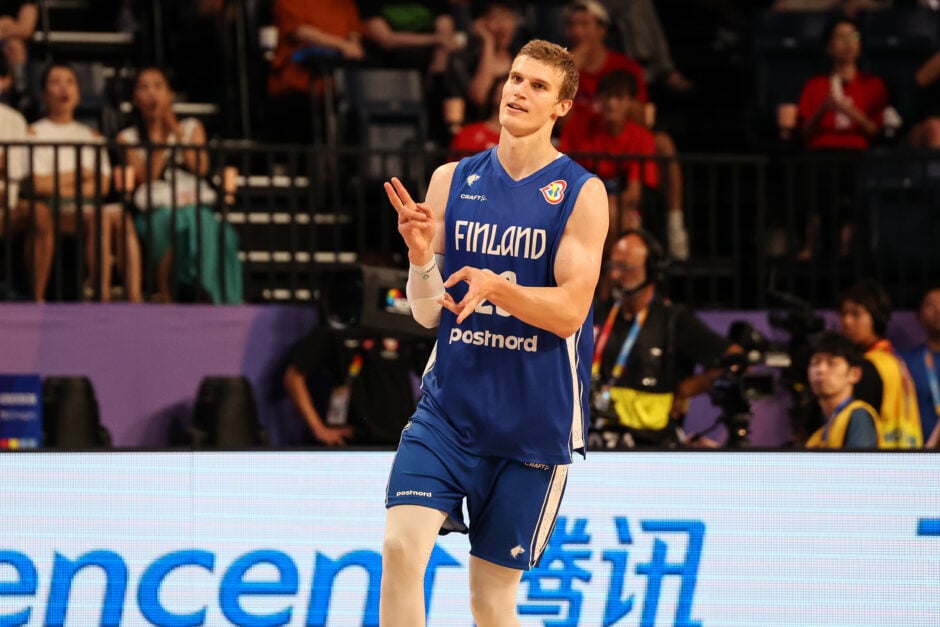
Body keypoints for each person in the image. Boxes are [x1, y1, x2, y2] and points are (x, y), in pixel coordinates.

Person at [379, 39, 607, 624]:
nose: (518, 91)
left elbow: (571, 313)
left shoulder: (580, 193)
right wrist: (421, 259)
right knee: (401, 549)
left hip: (531, 426)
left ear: (562, 106)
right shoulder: (451, 179)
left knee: (490, 601)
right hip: (449, 411)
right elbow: (430, 313)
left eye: (536, 85)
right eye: (514, 78)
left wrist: (497, 286)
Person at [563, 0, 689, 260]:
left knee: (663, 142)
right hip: (583, 141)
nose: (578, 32)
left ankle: (674, 224)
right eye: (572, 25)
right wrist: (568, 72)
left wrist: (615, 103)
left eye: (584, 24)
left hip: (619, 147)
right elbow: (562, 121)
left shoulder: (623, 67)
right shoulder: (565, 71)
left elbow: (641, 119)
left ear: (602, 30)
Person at [590, 229, 735, 447]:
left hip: (652, 448)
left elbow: (736, 359)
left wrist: (688, 389)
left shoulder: (673, 320)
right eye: (612, 266)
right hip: (598, 442)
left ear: (652, 270)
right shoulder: (599, 314)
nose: (614, 276)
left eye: (625, 268)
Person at [116, 67, 243, 304]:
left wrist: (174, 129)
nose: (152, 93)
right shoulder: (127, 138)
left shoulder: (191, 128)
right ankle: (198, 291)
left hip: (193, 201)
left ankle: (218, 296)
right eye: (144, 87)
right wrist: (161, 138)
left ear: (170, 95)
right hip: (156, 211)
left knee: (221, 232)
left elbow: (200, 168)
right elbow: (147, 177)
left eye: (158, 86)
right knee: (188, 222)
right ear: (135, 98)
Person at [28, 62, 143, 302]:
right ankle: (101, 297)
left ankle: (134, 298)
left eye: (70, 82)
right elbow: (39, 185)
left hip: (90, 207)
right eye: (56, 82)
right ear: (42, 93)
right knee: (99, 217)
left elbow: (101, 186)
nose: (64, 89)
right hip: (53, 208)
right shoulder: (33, 133)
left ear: (79, 93)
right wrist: (79, 174)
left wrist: (60, 180)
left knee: (123, 220)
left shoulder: (92, 136)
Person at [795, 16, 889, 259]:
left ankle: (848, 245)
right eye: (840, 37)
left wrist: (850, 112)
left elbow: (877, 130)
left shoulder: (873, 85)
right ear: (828, 47)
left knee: (856, 178)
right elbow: (804, 131)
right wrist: (824, 109)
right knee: (814, 174)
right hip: (820, 152)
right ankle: (812, 243)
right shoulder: (815, 85)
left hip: (856, 152)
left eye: (853, 36)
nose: (848, 43)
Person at [283, 315, 431, 447]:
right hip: (351, 441)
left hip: (399, 439)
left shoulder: (402, 323)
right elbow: (293, 377)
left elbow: (435, 376)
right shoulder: (338, 324)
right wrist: (319, 429)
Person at [559, 69, 658, 253]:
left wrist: (607, 204)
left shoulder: (642, 138)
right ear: (599, 100)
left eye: (619, 98)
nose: (611, 104)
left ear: (630, 102)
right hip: (580, 204)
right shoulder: (578, 129)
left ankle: (605, 272)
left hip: (623, 208)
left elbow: (634, 194)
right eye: (606, 97)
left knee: (615, 213)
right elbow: (565, 178)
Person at [837, 279, 922, 448]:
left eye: (856, 314)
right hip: (907, 462)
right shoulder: (895, 361)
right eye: (843, 314)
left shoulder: (868, 366)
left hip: (876, 463)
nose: (846, 321)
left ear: (876, 318)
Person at [265, 0, 364, 143]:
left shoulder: (344, 3)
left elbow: (354, 31)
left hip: (339, 86)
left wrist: (353, 44)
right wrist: (342, 45)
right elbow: (299, 30)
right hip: (298, 85)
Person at [0, 51, 50, 301]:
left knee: (39, 214)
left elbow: (16, 170)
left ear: (5, 81)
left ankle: (36, 297)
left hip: (5, 205)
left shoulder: (14, 120)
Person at [443, 0, 521, 133]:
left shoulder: (521, 57)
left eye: (508, 18)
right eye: (496, 18)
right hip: (476, 134)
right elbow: (479, 97)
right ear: (480, 23)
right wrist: (488, 43)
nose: (504, 27)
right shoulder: (463, 59)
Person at [804, 330, 880, 448]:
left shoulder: (858, 416)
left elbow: (859, 465)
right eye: (816, 362)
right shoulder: (818, 435)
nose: (821, 370)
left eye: (832, 363)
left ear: (854, 374)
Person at [899, 286, 940, 448]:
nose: (938, 310)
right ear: (918, 316)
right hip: (918, 455)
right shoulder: (904, 362)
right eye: (931, 305)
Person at [0, 1, 36, 111]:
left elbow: (26, 29)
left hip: (7, 48)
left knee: (15, 44)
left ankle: (19, 90)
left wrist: (4, 28)